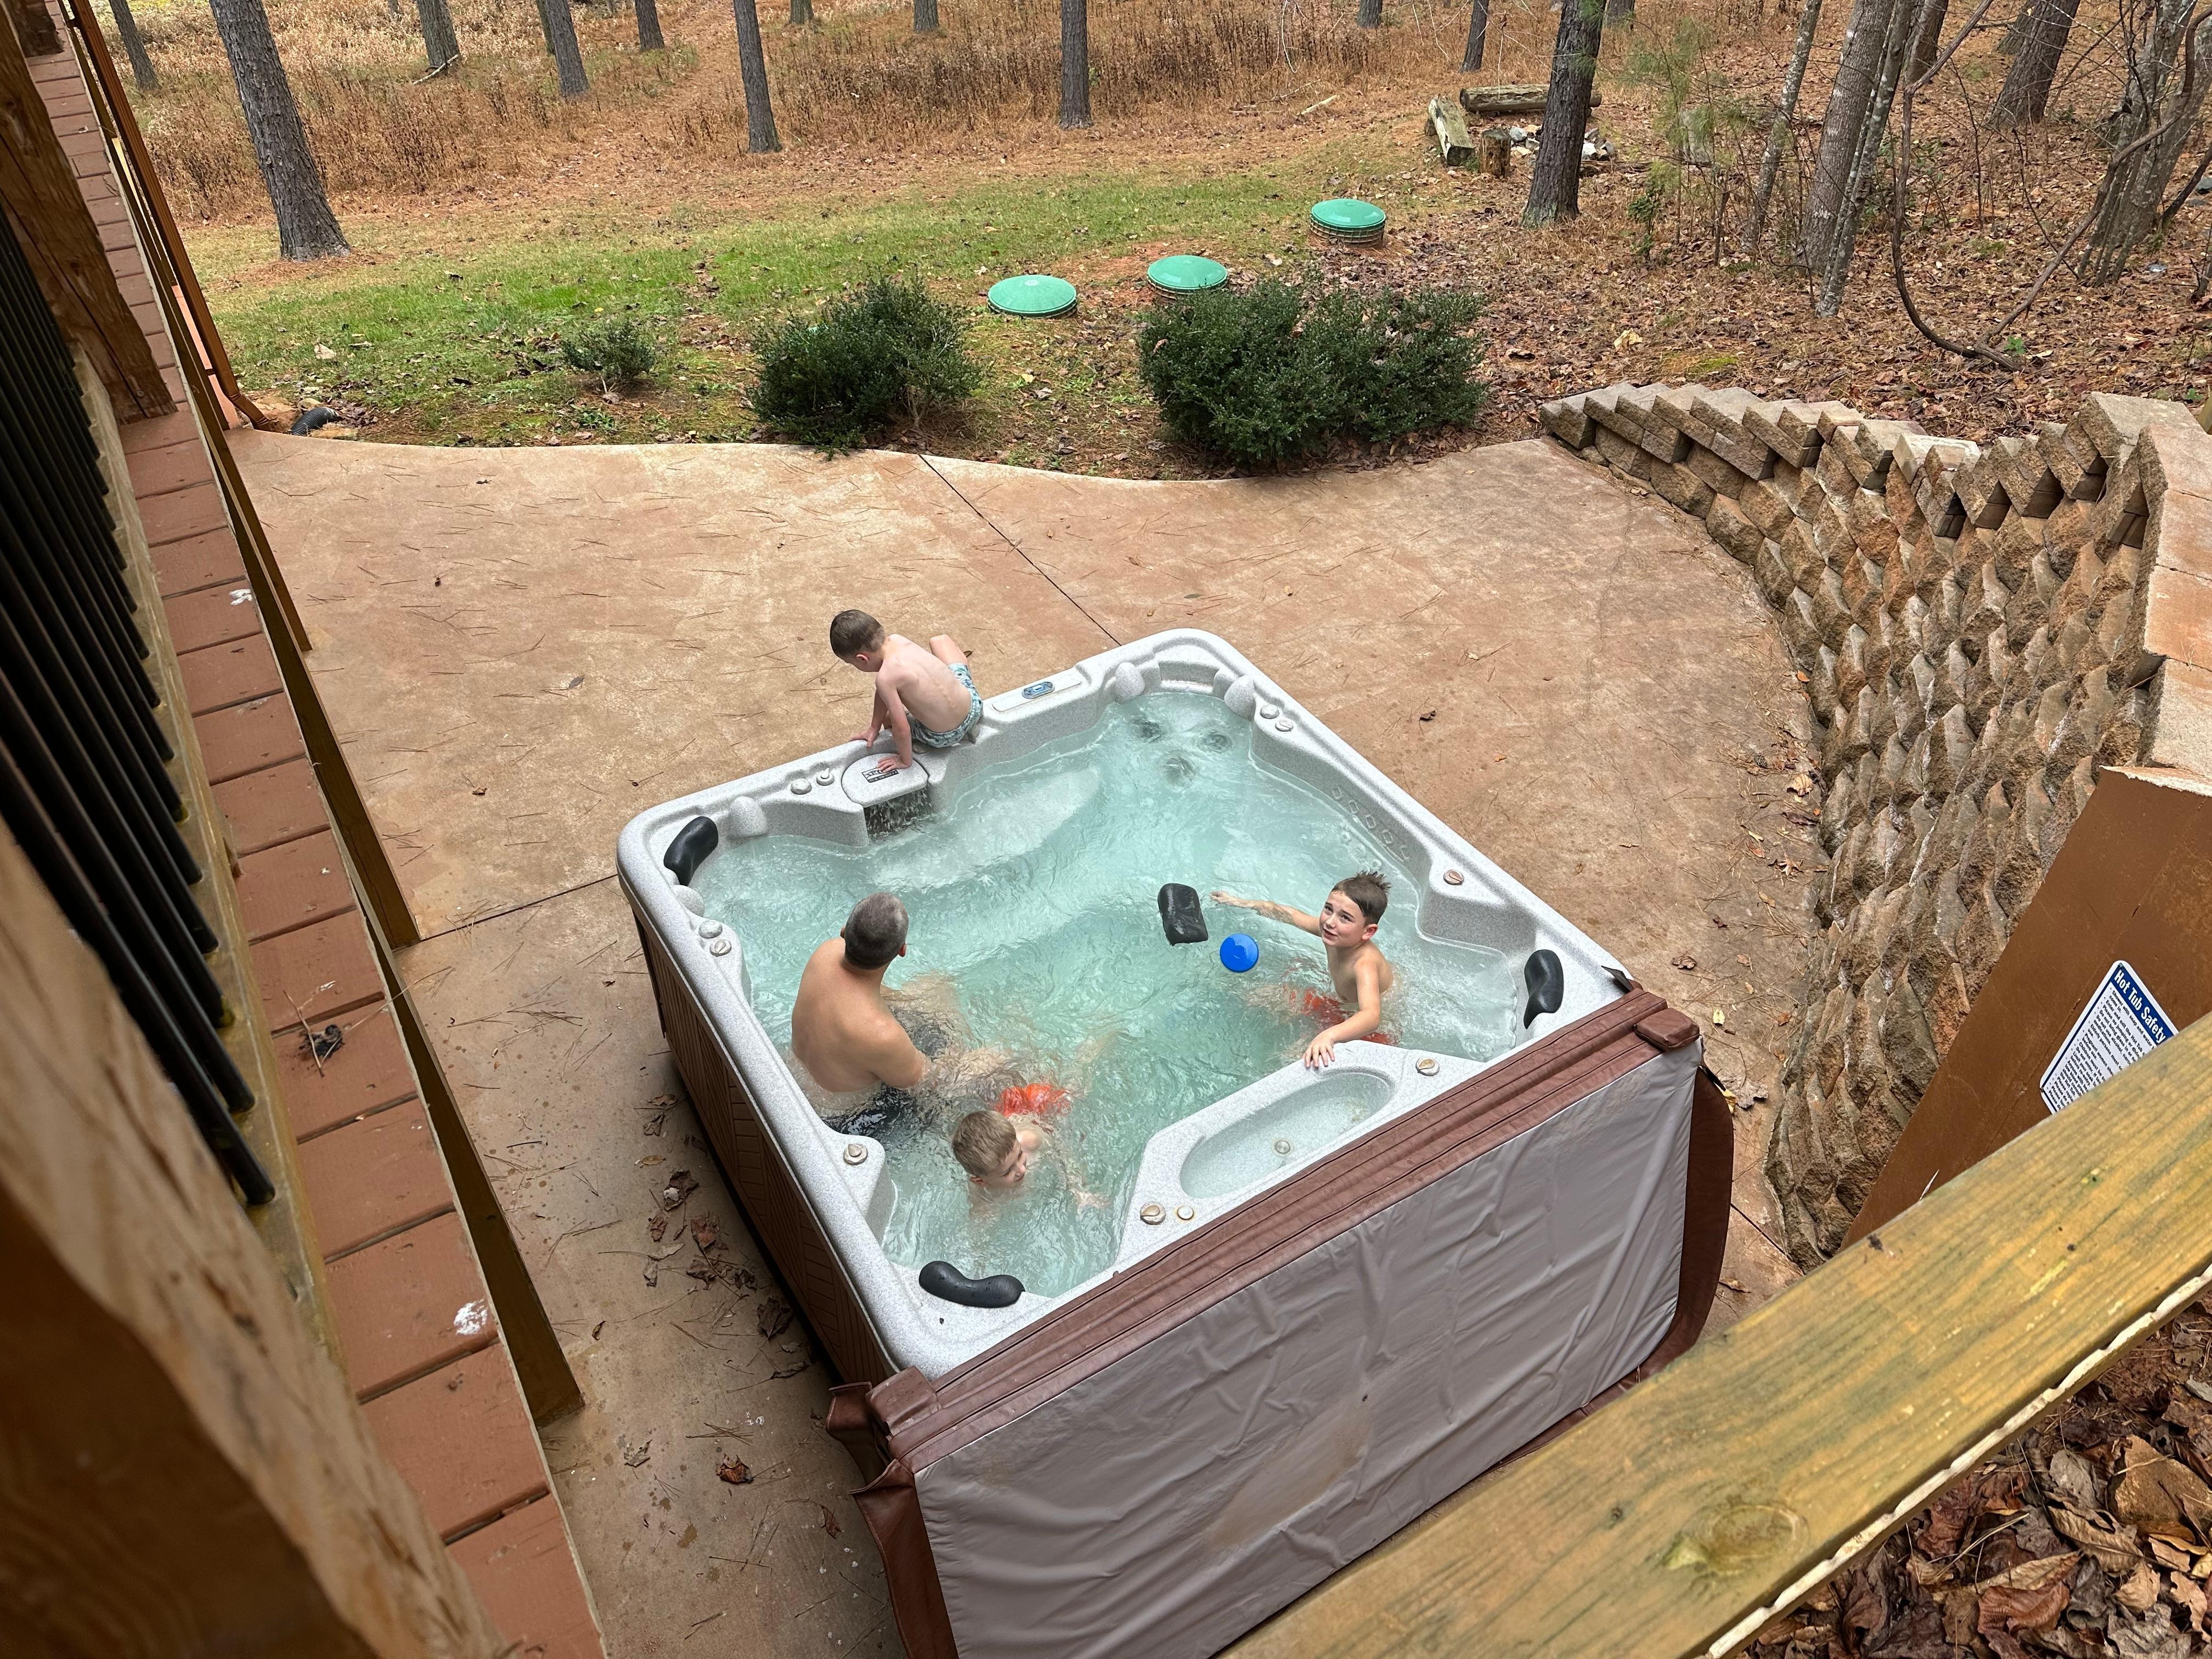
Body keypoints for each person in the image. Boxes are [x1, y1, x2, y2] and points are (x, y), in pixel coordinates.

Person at [789, 892, 1004, 1135]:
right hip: (839, 1119)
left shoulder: (825, 953)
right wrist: (978, 1059)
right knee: (993, 1060)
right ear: (902, 950)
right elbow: (931, 1084)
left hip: (790, 1078)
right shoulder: (882, 1035)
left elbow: (868, 994)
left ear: (843, 932)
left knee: (935, 986)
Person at [1212, 871, 1396, 1069]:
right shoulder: (1335, 934)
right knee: (1258, 996)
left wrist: (1329, 1035)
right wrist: (1241, 902)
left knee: (1295, 1060)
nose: (1330, 921)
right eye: (1328, 909)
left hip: (1371, 1031)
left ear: (1368, 932)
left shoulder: (1364, 963)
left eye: (1345, 918)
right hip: (1340, 1005)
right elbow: (1290, 915)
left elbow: (1371, 1016)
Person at [830, 610, 984, 773]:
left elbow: (902, 729)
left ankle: (921, 745)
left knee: (889, 719)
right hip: (974, 708)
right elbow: (883, 692)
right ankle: (964, 715)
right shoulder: (898, 640)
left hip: (943, 736)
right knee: (940, 641)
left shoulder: (886, 678)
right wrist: (873, 728)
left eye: (851, 663)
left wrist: (904, 760)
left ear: (862, 659)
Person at [950, 1109, 1105, 1209]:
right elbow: (979, 1228)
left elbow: (1061, 1151)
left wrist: (1077, 1188)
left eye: (1019, 1155)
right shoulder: (982, 1195)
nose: (1022, 1169)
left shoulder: (1030, 1141)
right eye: (1007, 1172)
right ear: (981, 1181)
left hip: (1034, 1110)